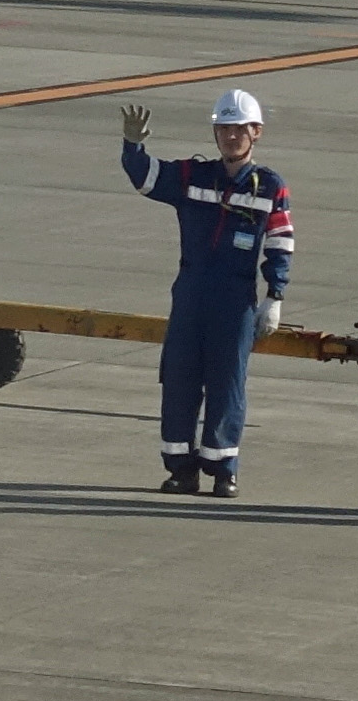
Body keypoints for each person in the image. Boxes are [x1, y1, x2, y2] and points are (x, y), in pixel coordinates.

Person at [119, 88, 295, 498]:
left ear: (257, 133)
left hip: (234, 302)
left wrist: (275, 297)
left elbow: (280, 241)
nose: (230, 137)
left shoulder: (269, 186)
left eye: (238, 129)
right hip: (191, 294)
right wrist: (133, 144)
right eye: (223, 129)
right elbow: (146, 178)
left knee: (227, 384)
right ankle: (181, 468)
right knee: (178, 379)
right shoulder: (192, 176)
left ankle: (222, 468)